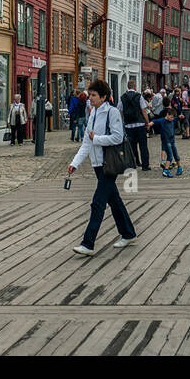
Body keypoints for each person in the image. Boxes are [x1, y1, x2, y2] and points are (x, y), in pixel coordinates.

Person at [67, 79, 137, 255]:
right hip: (97, 164)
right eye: (90, 95)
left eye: (93, 95)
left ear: (104, 97)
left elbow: (117, 137)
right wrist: (74, 163)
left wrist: (96, 138)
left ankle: (88, 243)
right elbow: (86, 142)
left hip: (109, 163)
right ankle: (128, 233)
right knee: (114, 201)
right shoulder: (93, 112)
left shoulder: (112, 112)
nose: (90, 98)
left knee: (98, 203)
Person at [119, 77, 151, 170]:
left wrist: (122, 122)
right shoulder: (139, 96)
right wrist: (147, 122)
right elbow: (144, 110)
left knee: (131, 146)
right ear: (135, 86)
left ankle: (133, 164)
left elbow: (120, 110)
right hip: (140, 124)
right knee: (143, 146)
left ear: (128, 86)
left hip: (129, 124)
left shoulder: (122, 97)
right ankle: (145, 165)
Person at [158, 105, 183, 177]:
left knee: (176, 155)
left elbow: (176, 119)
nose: (172, 119)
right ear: (167, 115)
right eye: (171, 117)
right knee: (170, 156)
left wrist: (179, 117)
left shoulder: (172, 120)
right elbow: (156, 121)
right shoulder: (163, 121)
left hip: (172, 141)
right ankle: (166, 170)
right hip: (166, 141)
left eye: (173, 117)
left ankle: (179, 167)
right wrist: (150, 123)